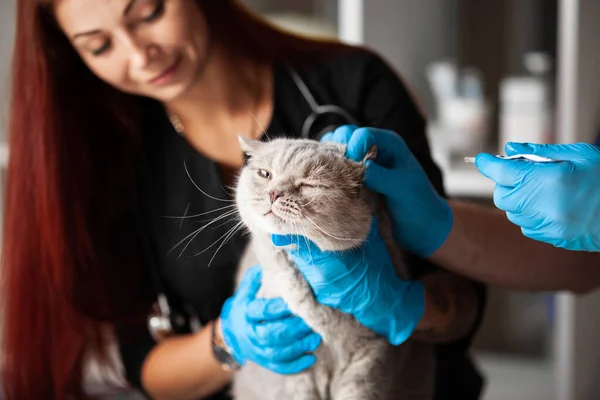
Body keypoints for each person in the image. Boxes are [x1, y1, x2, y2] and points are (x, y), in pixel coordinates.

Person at [0, 1, 487, 399]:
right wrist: (230, 339)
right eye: (100, 45)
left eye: (148, 12)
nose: (140, 55)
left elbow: (465, 303)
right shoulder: (117, 158)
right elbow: (143, 365)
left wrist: (402, 307)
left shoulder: (352, 84)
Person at [275, 126, 600, 355]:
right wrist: (438, 227)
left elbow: (587, 267)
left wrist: (398, 306)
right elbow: (587, 265)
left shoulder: (359, 78)